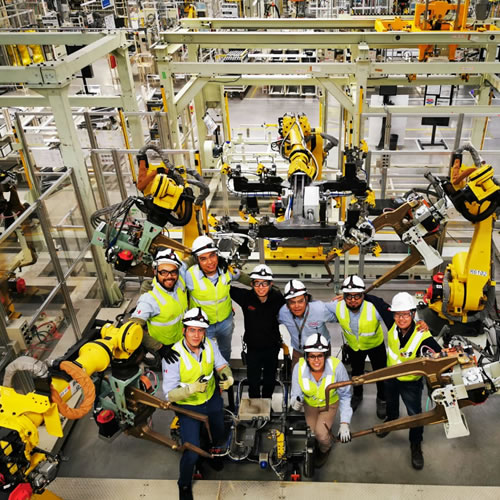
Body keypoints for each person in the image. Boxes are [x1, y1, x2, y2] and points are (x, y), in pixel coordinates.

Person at [162, 307, 234, 500]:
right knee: (191, 451)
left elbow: (221, 365)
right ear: (184, 330)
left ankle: (213, 455)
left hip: (211, 400)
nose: (196, 335)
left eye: (200, 330)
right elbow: (168, 395)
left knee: (218, 433)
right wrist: (190, 390)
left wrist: (227, 376)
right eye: (192, 330)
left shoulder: (210, 344)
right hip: (189, 407)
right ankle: (184, 483)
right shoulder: (174, 356)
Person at [376, 292, 442, 471]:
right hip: (390, 377)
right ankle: (391, 420)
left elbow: (439, 355)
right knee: (391, 404)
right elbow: (378, 301)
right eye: (397, 314)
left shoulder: (422, 335)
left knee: (415, 415)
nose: (401, 318)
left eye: (405, 314)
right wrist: (351, 294)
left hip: (410, 384)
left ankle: (415, 445)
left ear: (413, 314)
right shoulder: (392, 324)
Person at [290, 333, 352, 468]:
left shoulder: (337, 367)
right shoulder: (298, 368)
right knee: (311, 434)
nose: (316, 360)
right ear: (306, 356)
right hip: (310, 405)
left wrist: (344, 422)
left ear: (325, 355)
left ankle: (325, 448)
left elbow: (346, 395)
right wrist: (295, 401)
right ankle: (320, 440)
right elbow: (295, 393)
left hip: (329, 405)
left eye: (320, 356)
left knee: (321, 435)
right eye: (312, 356)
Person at [186, 235, 250, 363]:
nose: (210, 262)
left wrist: (262, 285)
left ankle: (225, 373)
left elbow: (241, 277)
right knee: (204, 351)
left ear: (217, 255)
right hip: (203, 325)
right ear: (197, 260)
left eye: (212, 256)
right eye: (203, 259)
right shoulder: (190, 275)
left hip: (225, 322)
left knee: (225, 350)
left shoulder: (226, 269)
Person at [332, 275, 388, 419]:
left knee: (380, 374)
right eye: (349, 297)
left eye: (357, 296)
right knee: (356, 372)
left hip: (375, 345)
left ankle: (382, 398)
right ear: (343, 296)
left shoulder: (374, 306)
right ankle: (357, 395)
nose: (353, 300)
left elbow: (396, 318)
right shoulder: (337, 307)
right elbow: (317, 311)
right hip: (355, 347)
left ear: (363, 295)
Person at [230, 264, 285, 398]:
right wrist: (233, 276)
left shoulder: (277, 298)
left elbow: (299, 299)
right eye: (257, 284)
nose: (261, 288)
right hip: (253, 348)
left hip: (272, 347)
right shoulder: (245, 297)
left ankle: (268, 402)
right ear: (252, 284)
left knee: (269, 379)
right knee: (253, 379)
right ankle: (253, 405)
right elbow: (223, 288)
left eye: (264, 284)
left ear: (271, 284)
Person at [131, 247, 188, 364]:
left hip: (183, 340)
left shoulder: (179, 281)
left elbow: (189, 261)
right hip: (166, 348)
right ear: (155, 271)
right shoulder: (150, 299)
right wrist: (159, 348)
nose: (169, 276)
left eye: (173, 272)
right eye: (163, 272)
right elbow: (132, 329)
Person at [278, 279, 337, 369]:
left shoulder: (319, 309)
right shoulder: (283, 313)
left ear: (306, 299)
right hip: (299, 351)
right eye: (292, 302)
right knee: (298, 378)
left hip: (321, 350)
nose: (297, 306)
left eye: (300, 301)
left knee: (323, 379)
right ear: (287, 304)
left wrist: (345, 297)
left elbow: (342, 314)